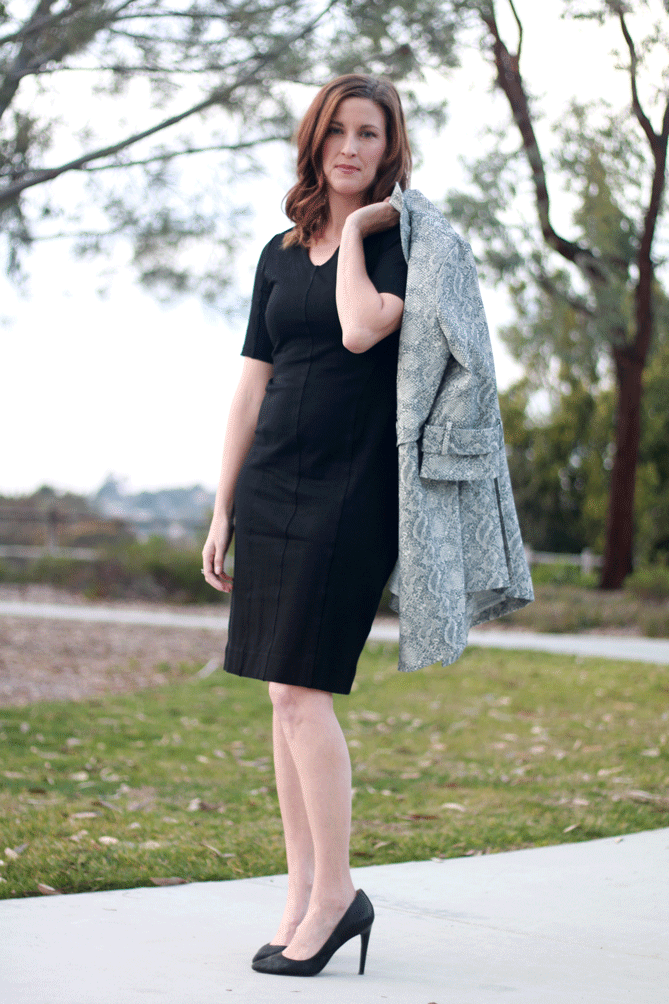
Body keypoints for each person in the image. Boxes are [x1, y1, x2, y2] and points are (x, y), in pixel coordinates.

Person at [201, 73, 411, 977]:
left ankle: (336, 895)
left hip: (352, 492)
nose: (351, 148)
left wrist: (359, 231)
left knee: (301, 691)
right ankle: (301, 894)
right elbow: (252, 379)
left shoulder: (403, 242)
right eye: (338, 132)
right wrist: (222, 503)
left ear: (388, 146)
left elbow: (364, 329)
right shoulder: (278, 252)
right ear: (315, 141)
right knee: (278, 695)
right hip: (274, 482)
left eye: (368, 134)